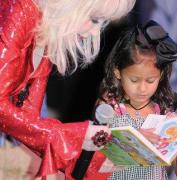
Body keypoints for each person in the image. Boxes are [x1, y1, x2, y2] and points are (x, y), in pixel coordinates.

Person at [0, 0, 136, 179]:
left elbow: (29, 120)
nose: (95, 32)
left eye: (102, 22)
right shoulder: (20, 11)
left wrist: (85, 150)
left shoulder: (45, 27)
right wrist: (73, 138)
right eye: (94, 19)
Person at [95, 20, 177, 180]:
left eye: (150, 80)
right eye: (134, 80)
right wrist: (134, 140)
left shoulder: (162, 111)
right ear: (118, 73)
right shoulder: (109, 106)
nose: (142, 89)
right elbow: (94, 145)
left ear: (160, 76)